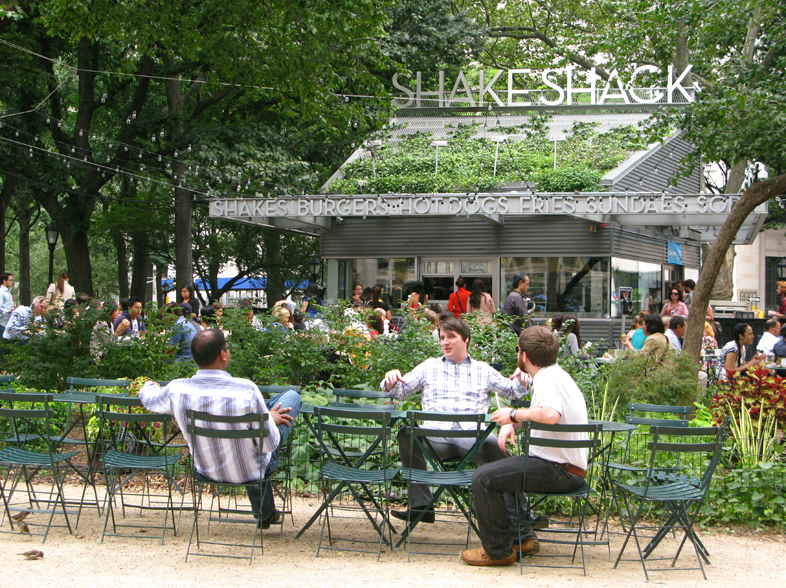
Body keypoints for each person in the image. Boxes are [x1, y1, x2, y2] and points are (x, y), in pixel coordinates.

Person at [139, 329, 301, 528]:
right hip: (250, 471)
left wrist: (149, 385)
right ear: (223, 355)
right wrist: (269, 420)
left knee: (249, 436)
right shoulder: (246, 390)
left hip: (206, 469)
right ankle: (265, 513)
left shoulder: (177, 389)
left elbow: (149, 400)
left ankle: (266, 514)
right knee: (292, 398)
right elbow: (269, 445)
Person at [381, 317, 530, 526]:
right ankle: (421, 507)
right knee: (406, 434)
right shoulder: (428, 367)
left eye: (451, 336)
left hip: (473, 440)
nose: (445, 342)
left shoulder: (483, 369)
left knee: (499, 446)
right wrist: (390, 380)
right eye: (442, 337)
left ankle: (522, 515)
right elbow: (400, 391)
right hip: (435, 439)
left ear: (466, 339)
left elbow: (514, 391)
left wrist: (524, 378)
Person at [459, 326, 588, 566]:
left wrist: (514, 412)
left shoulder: (546, 379)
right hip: (568, 468)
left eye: (518, 350)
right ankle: (523, 539)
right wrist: (513, 422)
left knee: (483, 478)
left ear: (524, 355)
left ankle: (497, 552)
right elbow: (545, 415)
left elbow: (550, 414)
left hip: (558, 470)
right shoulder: (556, 374)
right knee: (503, 469)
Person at [0, 272, 14, 338]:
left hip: (7, 323)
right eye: (10, 280)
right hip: (1, 323)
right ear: (4, 281)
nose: (12, 282)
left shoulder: (8, 292)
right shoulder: (1, 292)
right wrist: (9, 311)